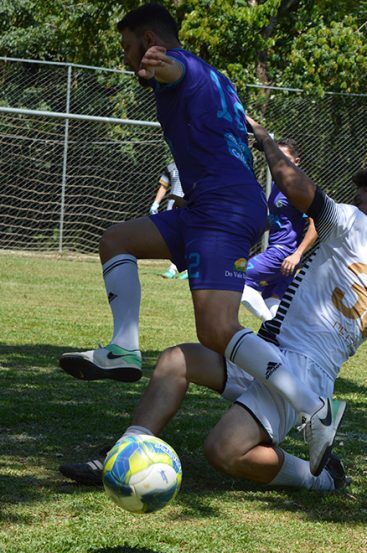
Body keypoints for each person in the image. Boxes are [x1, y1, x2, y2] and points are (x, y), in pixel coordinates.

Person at [60, 117, 367, 491]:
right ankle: (126, 449)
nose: (352, 204)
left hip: (301, 374)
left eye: (360, 200)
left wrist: (265, 141)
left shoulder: (355, 224)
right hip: (270, 356)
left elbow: (294, 186)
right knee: (176, 361)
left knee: (224, 450)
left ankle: (318, 477)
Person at [59, 5, 351, 478]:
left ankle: (314, 408)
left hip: (224, 208)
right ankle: (123, 349)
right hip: (202, 207)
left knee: (216, 330)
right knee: (116, 241)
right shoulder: (216, 77)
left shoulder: (179, 65)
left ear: (150, 40)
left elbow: (173, 68)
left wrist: (158, 62)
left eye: (129, 48)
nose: (127, 58)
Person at [241, 138, 318, 321]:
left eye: (284, 157)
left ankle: (270, 330)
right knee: (272, 300)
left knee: (235, 277)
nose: (279, 161)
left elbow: (315, 225)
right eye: (276, 157)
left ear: (296, 161)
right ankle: (280, 341)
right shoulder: (278, 184)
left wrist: (297, 254)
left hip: (284, 254)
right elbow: (277, 220)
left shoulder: (298, 186)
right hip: (279, 253)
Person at [149, 161, 188, 280]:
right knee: (173, 239)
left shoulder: (195, 162)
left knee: (186, 237)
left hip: (189, 205)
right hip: (172, 206)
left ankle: (182, 269)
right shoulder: (171, 166)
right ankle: (175, 268)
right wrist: (155, 204)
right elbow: (164, 186)